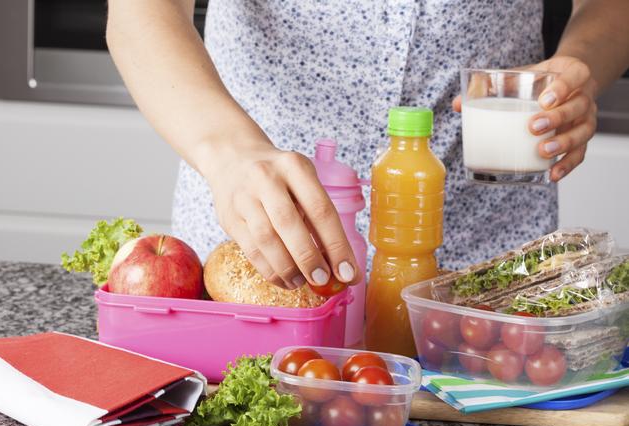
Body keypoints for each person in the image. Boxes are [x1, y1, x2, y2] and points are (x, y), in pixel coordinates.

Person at [106, 0, 629, 291]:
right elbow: (138, 13)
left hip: (485, 251)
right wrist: (232, 155)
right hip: (262, 246)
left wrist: (580, 64)